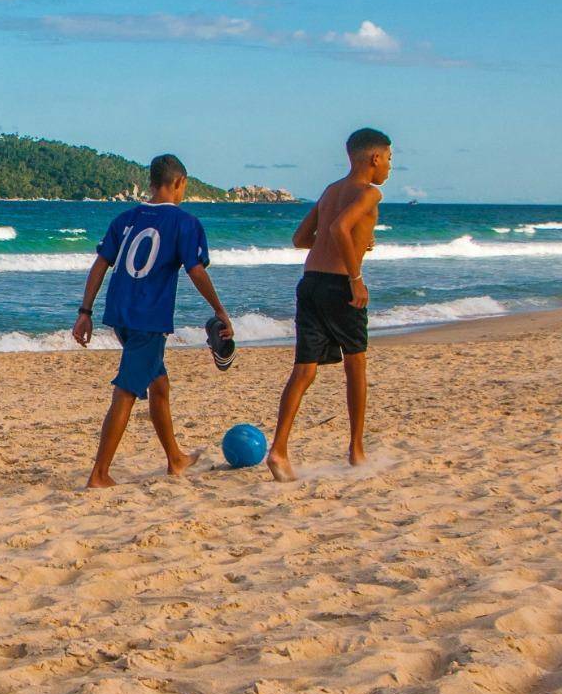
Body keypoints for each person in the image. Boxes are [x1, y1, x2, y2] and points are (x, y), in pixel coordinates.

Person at [72, 154, 233, 488]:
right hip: (149, 318)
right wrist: (220, 310)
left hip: (119, 314)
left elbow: (100, 264)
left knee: (158, 384)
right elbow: (196, 270)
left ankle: (175, 458)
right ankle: (99, 474)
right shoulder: (185, 223)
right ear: (178, 183)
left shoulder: (126, 218)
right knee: (127, 390)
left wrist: (84, 312)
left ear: (151, 181)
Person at [265, 128, 392, 481]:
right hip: (339, 286)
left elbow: (301, 239)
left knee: (304, 370)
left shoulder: (331, 190)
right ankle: (356, 450)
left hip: (310, 284)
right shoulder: (370, 193)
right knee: (356, 366)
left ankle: (278, 450)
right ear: (374, 158)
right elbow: (338, 228)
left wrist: (356, 243)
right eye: (390, 159)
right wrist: (355, 277)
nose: (390, 168)